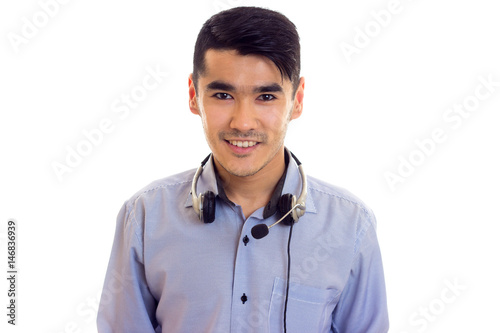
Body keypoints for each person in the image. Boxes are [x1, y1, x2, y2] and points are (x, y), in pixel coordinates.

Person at [97, 6, 389, 333]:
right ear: (194, 95)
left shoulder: (351, 226)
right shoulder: (144, 217)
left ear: (297, 100)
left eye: (265, 96)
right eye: (223, 95)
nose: (243, 122)